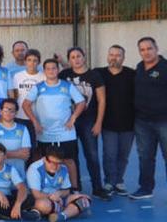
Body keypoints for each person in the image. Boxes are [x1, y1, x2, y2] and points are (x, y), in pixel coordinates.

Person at [22, 58, 85, 192]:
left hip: (65, 132)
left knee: (69, 161)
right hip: (45, 133)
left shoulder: (66, 86)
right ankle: (42, 189)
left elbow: (81, 102)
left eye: (54, 68)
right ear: (44, 71)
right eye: (48, 68)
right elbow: (25, 104)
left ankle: (74, 189)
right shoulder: (38, 87)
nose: (51, 71)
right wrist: (35, 122)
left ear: (58, 70)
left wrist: (73, 118)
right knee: (45, 161)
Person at [59, 47, 108, 200]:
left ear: (84, 57)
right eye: (72, 57)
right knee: (72, 156)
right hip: (69, 120)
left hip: (88, 121)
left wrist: (99, 122)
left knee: (92, 155)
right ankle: (76, 187)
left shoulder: (94, 75)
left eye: (78, 56)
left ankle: (97, 187)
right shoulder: (65, 75)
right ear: (69, 60)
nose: (76, 59)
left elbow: (101, 100)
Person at [94, 45, 135, 197]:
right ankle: (110, 182)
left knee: (123, 155)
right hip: (108, 123)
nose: (114, 57)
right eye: (111, 54)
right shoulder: (99, 73)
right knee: (110, 154)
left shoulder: (132, 74)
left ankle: (119, 181)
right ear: (107, 56)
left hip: (128, 124)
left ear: (123, 58)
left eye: (118, 55)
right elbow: (80, 71)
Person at [131, 37, 167, 199]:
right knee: (145, 156)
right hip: (142, 122)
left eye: (149, 48)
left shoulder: (165, 68)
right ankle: (146, 189)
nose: (146, 52)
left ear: (156, 48)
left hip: (164, 121)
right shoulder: (139, 68)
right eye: (142, 49)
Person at [27, 147, 92, 222]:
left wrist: (59, 194)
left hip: (60, 199)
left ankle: (61, 215)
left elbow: (67, 190)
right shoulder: (35, 169)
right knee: (42, 205)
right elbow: (36, 195)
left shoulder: (63, 169)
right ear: (45, 159)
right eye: (52, 162)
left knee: (86, 199)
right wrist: (52, 197)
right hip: (44, 199)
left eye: (58, 163)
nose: (55, 166)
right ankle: (72, 210)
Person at [11, 49, 45, 152]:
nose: (32, 63)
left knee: (35, 147)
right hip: (20, 116)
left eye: (35, 60)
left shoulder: (43, 76)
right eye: (29, 60)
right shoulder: (17, 76)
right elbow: (14, 96)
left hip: (37, 117)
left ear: (39, 62)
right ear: (25, 61)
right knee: (21, 146)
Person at [0, 99, 31, 171]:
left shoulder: (23, 128)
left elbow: (25, 155)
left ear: (16, 113)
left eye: (11, 111)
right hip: (0, 174)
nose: (8, 113)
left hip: (19, 172)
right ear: (0, 112)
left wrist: (3, 153)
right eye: (5, 110)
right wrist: (18, 154)